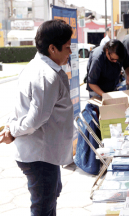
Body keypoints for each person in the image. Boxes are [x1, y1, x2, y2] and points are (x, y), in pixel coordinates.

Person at [0, 19, 75, 215]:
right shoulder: (45, 76)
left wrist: (12, 128)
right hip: (40, 155)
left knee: (48, 200)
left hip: (45, 153)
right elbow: (34, 119)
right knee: (43, 206)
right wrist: (12, 131)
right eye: (67, 47)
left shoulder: (42, 69)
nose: (70, 52)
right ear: (52, 48)